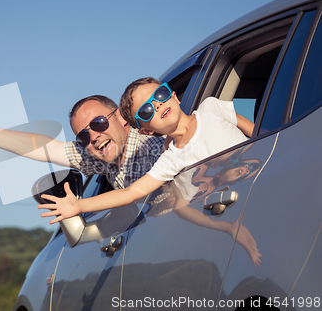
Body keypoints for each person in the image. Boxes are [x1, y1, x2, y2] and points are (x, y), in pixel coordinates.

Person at [38, 77, 255, 221]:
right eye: (146, 110)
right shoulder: (171, 159)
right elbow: (130, 192)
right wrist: (80, 205)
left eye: (160, 94)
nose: (157, 105)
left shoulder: (212, 107)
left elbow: (263, 135)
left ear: (174, 96)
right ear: (145, 131)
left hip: (262, 173)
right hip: (240, 199)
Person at [0, 94, 165, 190]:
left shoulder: (153, 147)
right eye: (83, 136)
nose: (93, 136)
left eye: (99, 122)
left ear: (123, 118)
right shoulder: (104, 161)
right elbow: (44, 148)